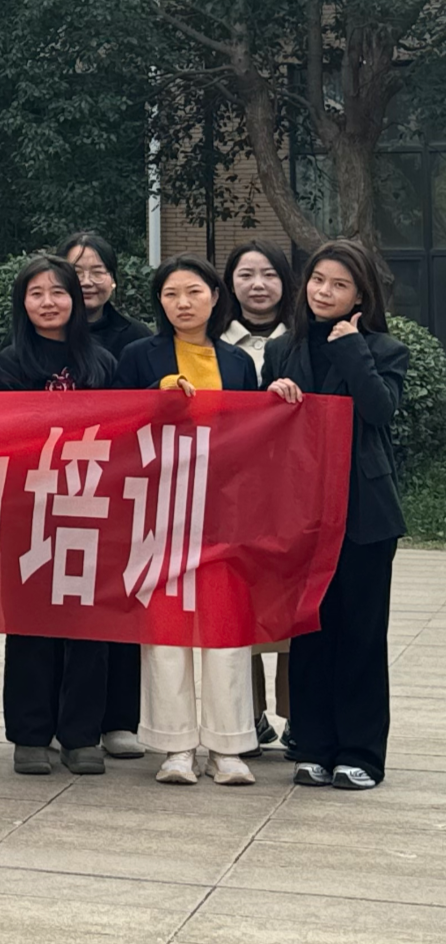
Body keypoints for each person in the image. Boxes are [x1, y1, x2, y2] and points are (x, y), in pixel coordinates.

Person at [109, 256, 260, 786]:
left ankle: (229, 746)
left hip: (223, 508)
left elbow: (254, 432)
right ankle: (175, 746)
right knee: (167, 628)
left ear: (215, 297)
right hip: (161, 505)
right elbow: (115, 425)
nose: (183, 303)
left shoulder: (239, 362)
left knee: (225, 626)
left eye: (194, 292)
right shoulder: (138, 356)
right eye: (171, 294)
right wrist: (156, 397)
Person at [263, 239, 406, 791]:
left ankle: (361, 753)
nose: (323, 292)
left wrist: (352, 350)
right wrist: (271, 395)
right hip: (302, 511)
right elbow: (263, 432)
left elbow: (379, 410)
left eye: (339, 285)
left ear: (360, 296)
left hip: (364, 513)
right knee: (310, 632)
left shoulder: (384, 349)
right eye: (318, 280)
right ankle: (314, 746)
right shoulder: (283, 349)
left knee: (361, 634)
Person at [0, 255, 119, 776]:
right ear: (22, 302)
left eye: (58, 292)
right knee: (30, 622)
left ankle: (81, 735)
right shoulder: (7, 363)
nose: (48, 303)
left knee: (90, 624)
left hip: (89, 508)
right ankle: (30, 733)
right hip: (28, 508)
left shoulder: (103, 363)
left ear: (75, 300)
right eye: (36, 293)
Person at [59, 230, 150, 760]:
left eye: (98, 270)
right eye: (77, 271)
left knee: (118, 602)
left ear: (114, 279)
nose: (88, 281)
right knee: (58, 606)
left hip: (119, 488)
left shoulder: (136, 339)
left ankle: (119, 719)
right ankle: (61, 718)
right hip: (56, 489)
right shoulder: (42, 332)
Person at [223, 239, 295, 751]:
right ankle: (247, 714)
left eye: (269, 274)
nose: (258, 285)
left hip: (290, 492)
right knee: (238, 603)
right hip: (230, 495)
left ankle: (296, 714)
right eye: (246, 274)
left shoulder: (303, 340)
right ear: (229, 284)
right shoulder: (213, 343)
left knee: (293, 602)